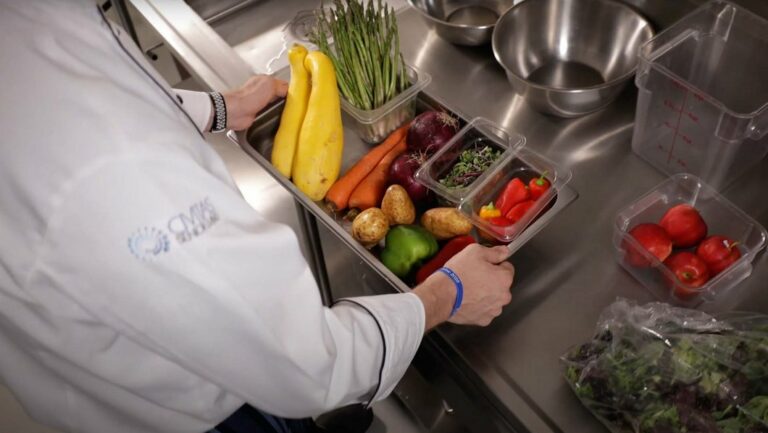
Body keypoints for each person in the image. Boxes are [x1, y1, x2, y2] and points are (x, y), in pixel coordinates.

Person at [0, 1, 515, 433]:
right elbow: (307, 364)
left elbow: (104, 85)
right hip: (191, 412)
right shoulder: (115, 168)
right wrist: (448, 294)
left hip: (100, 370)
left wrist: (218, 109)